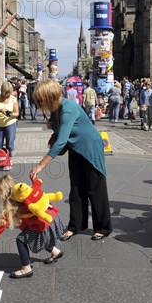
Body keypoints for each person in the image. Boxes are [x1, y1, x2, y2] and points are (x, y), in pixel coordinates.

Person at [30, 80, 112, 241]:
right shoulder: (56, 110)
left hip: (90, 148)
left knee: (95, 188)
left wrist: (40, 165)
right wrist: (52, 125)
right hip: (75, 149)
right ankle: (76, 225)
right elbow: (61, 132)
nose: (40, 104)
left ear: (49, 97)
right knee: (76, 188)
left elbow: (61, 141)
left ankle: (103, 227)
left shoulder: (68, 109)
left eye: (41, 100)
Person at [0, 175, 65, 279]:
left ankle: (26, 269)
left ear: (4, 195)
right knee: (35, 236)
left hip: (43, 225)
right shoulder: (22, 193)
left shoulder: (12, 205)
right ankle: (55, 252)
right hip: (52, 218)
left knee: (21, 240)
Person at [0, 81, 19, 157]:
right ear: (2, 91)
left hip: (10, 123)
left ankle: (9, 159)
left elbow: (17, 113)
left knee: (10, 144)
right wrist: (0, 110)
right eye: (5, 94)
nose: (7, 96)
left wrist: (11, 114)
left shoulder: (13, 99)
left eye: (8, 94)